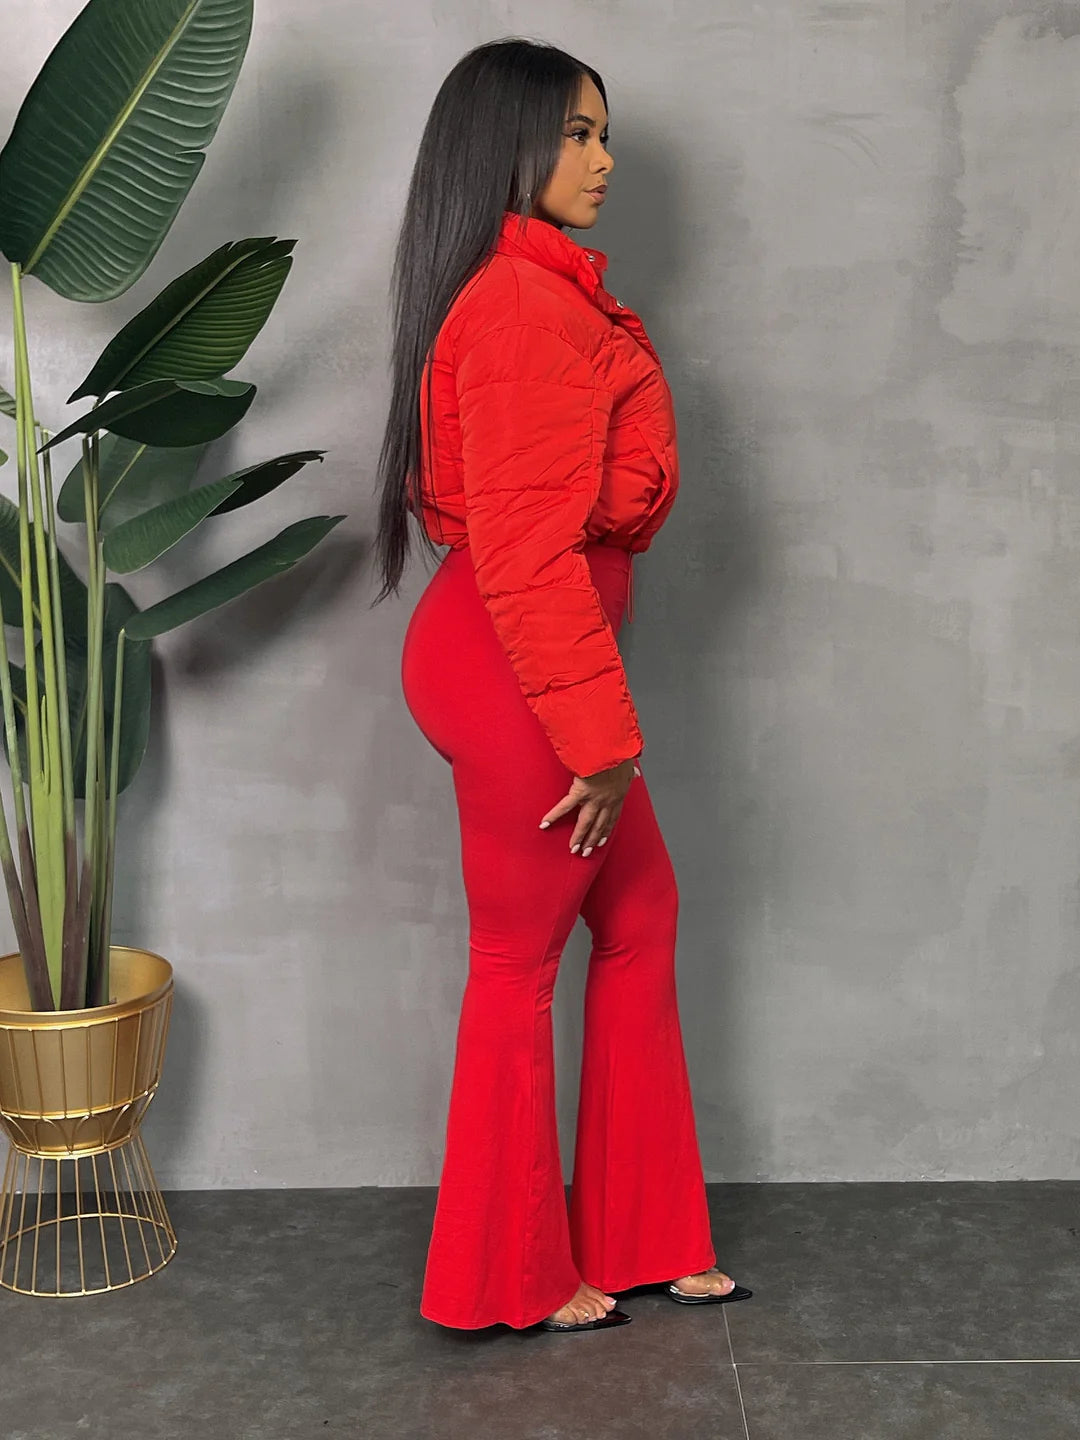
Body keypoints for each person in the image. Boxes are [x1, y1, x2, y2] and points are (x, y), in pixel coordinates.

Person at [371, 36, 752, 1334]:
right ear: (511, 145)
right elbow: (531, 556)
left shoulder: (548, 297)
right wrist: (596, 739)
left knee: (641, 910)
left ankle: (640, 1234)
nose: (604, 157)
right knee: (518, 958)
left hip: (533, 661)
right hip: (518, 670)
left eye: (605, 131)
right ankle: (511, 1274)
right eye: (579, 133)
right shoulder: (526, 309)